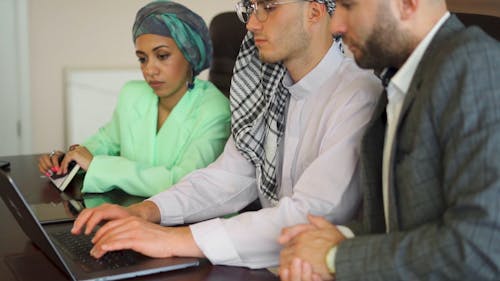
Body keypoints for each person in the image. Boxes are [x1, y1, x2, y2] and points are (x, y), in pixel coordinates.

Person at [71, 0, 382, 268]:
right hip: (264, 260)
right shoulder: (271, 86)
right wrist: (146, 211)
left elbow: (311, 215)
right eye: (250, 7)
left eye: (268, 7)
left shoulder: (358, 94)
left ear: (314, 12)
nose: (251, 23)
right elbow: (227, 177)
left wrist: (174, 240)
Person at [278, 0, 500, 280]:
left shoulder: (475, 65)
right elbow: (399, 228)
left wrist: (335, 256)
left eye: (349, 6)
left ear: (407, 5)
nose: (336, 26)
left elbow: (483, 246)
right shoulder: (401, 81)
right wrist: (335, 238)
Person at [38, 0, 231, 197]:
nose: (149, 70)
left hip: (189, 223)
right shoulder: (132, 95)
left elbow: (185, 184)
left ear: (191, 54)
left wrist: (99, 167)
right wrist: (69, 159)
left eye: (162, 56)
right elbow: (105, 142)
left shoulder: (215, 109)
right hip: (129, 211)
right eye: (142, 58)